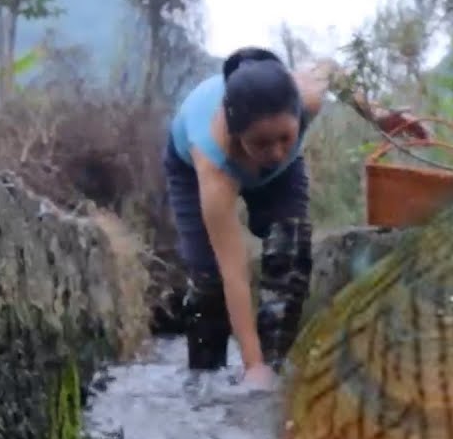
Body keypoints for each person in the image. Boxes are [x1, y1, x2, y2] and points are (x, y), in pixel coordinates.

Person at [164, 45, 427, 388]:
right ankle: (203, 381)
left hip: (281, 179)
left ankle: (274, 368)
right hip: (188, 167)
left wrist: (378, 115)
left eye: (285, 138)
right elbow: (234, 271)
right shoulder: (212, 162)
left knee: (291, 250)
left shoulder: (307, 97)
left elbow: (331, 67)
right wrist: (250, 362)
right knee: (210, 279)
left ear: (298, 114)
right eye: (261, 143)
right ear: (236, 132)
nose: (275, 152)